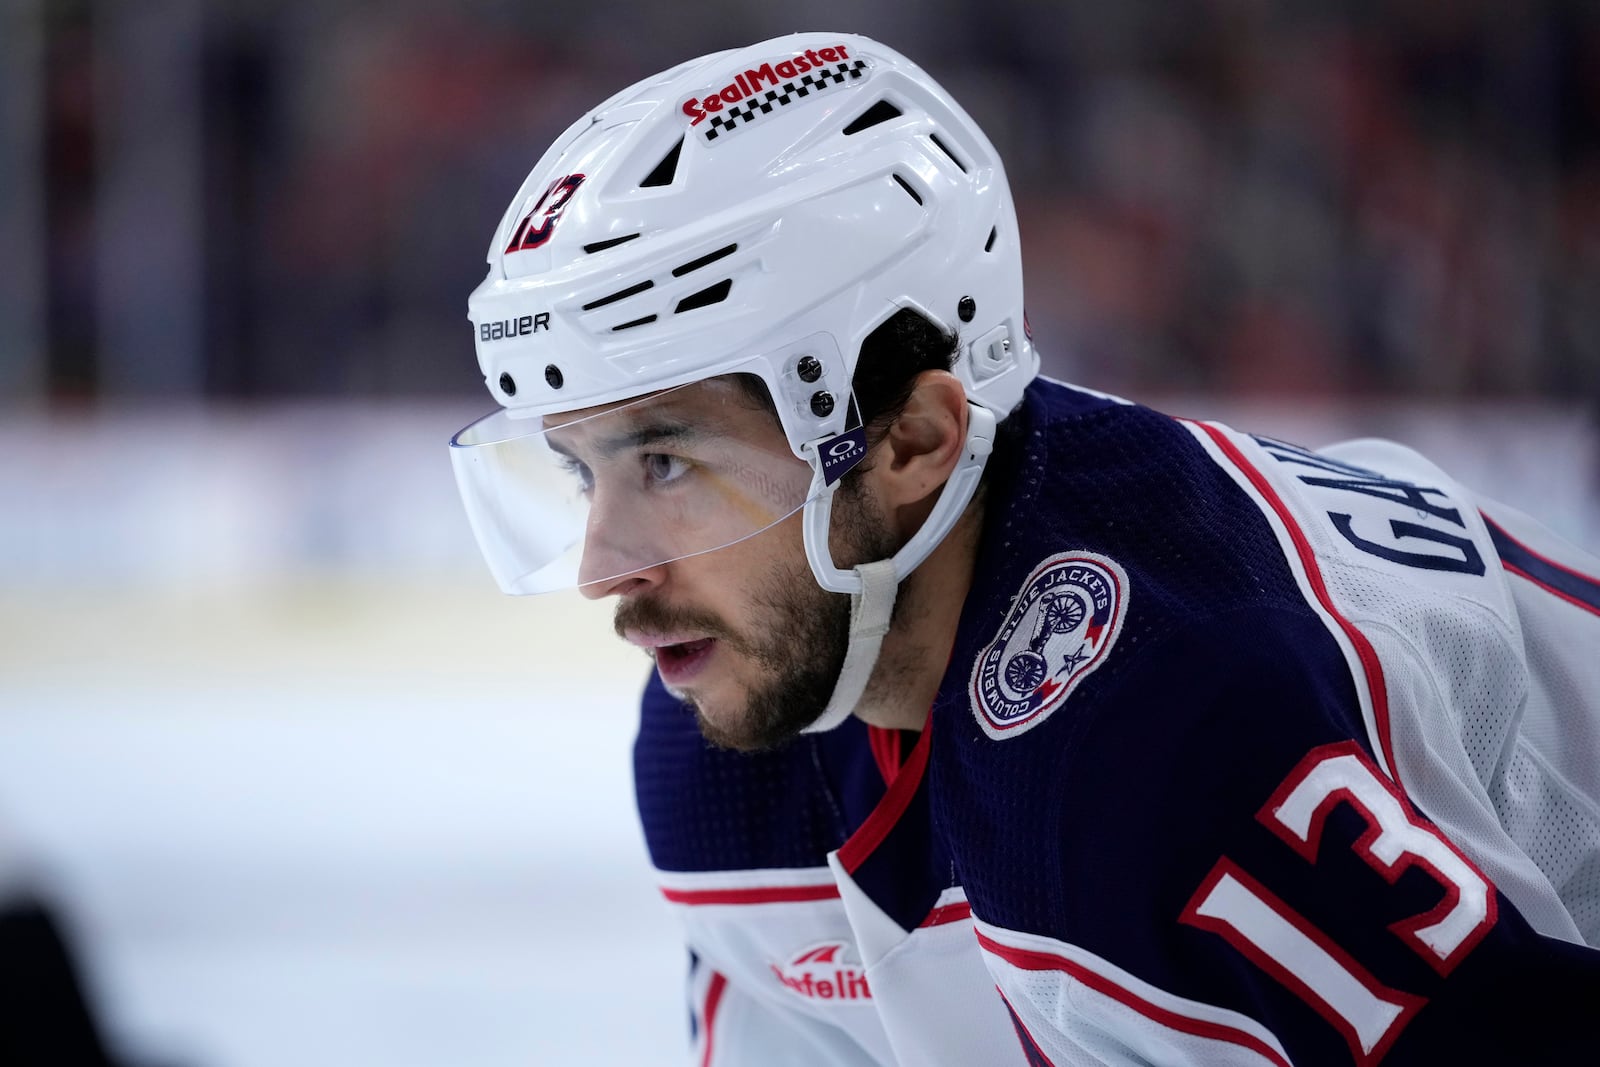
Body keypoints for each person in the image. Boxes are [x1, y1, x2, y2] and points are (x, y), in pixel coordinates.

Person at [448, 32, 1600, 1065]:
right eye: (578, 469)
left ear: (912, 440)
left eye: (665, 461)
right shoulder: (736, 742)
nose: (606, 567)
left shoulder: (1171, 723)